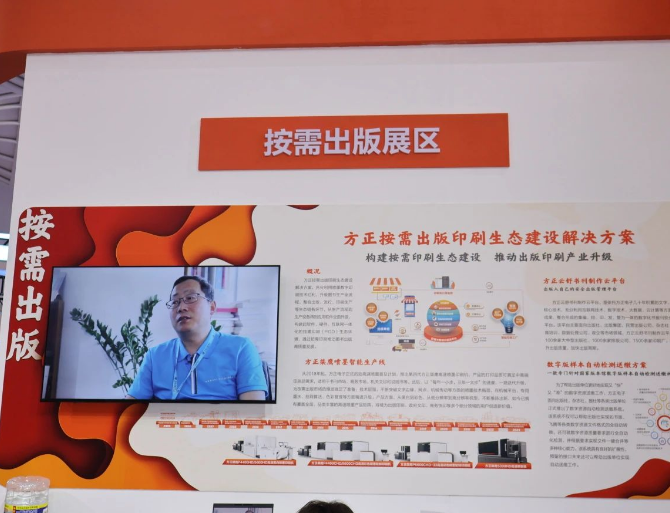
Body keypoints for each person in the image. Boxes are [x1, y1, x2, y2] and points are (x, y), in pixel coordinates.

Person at [127, 275, 268, 400]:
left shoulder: (241, 348)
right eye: (175, 302)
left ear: (211, 307)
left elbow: (253, 412)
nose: (181, 307)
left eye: (190, 298)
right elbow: (130, 410)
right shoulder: (155, 356)